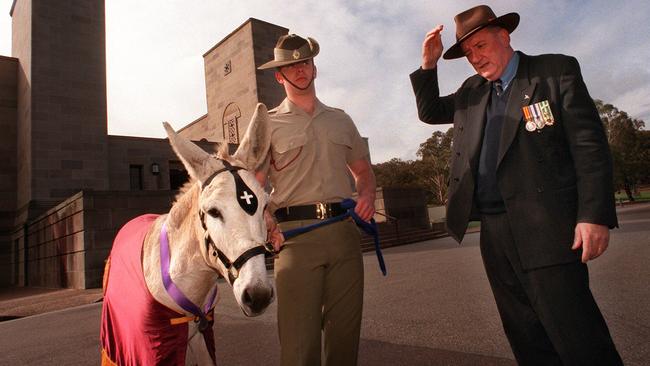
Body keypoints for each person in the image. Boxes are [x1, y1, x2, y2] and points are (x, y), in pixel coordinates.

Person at [410, 5, 622, 365]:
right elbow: (430, 111)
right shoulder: (472, 91)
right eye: (469, 53)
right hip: (494, 233)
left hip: (547, 227)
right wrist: (428, 65)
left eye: (481, 45)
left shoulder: (554, 71)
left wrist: (593, 215)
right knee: (526, 336)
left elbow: (589, 148)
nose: (476, 58)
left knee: (577, 336)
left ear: (504, 36)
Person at [256, 33, 376, 366]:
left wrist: (366, 193)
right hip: (294, 239)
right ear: (279, 76)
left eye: (305, 62)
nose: (300, 70)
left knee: (344, 342)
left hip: (343, 235)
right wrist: (266, 220)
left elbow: (363, 173)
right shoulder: (268, 125)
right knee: (298, 346)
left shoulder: (341, 119)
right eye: (291, 66)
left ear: (314, 68)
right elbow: (255, 187)